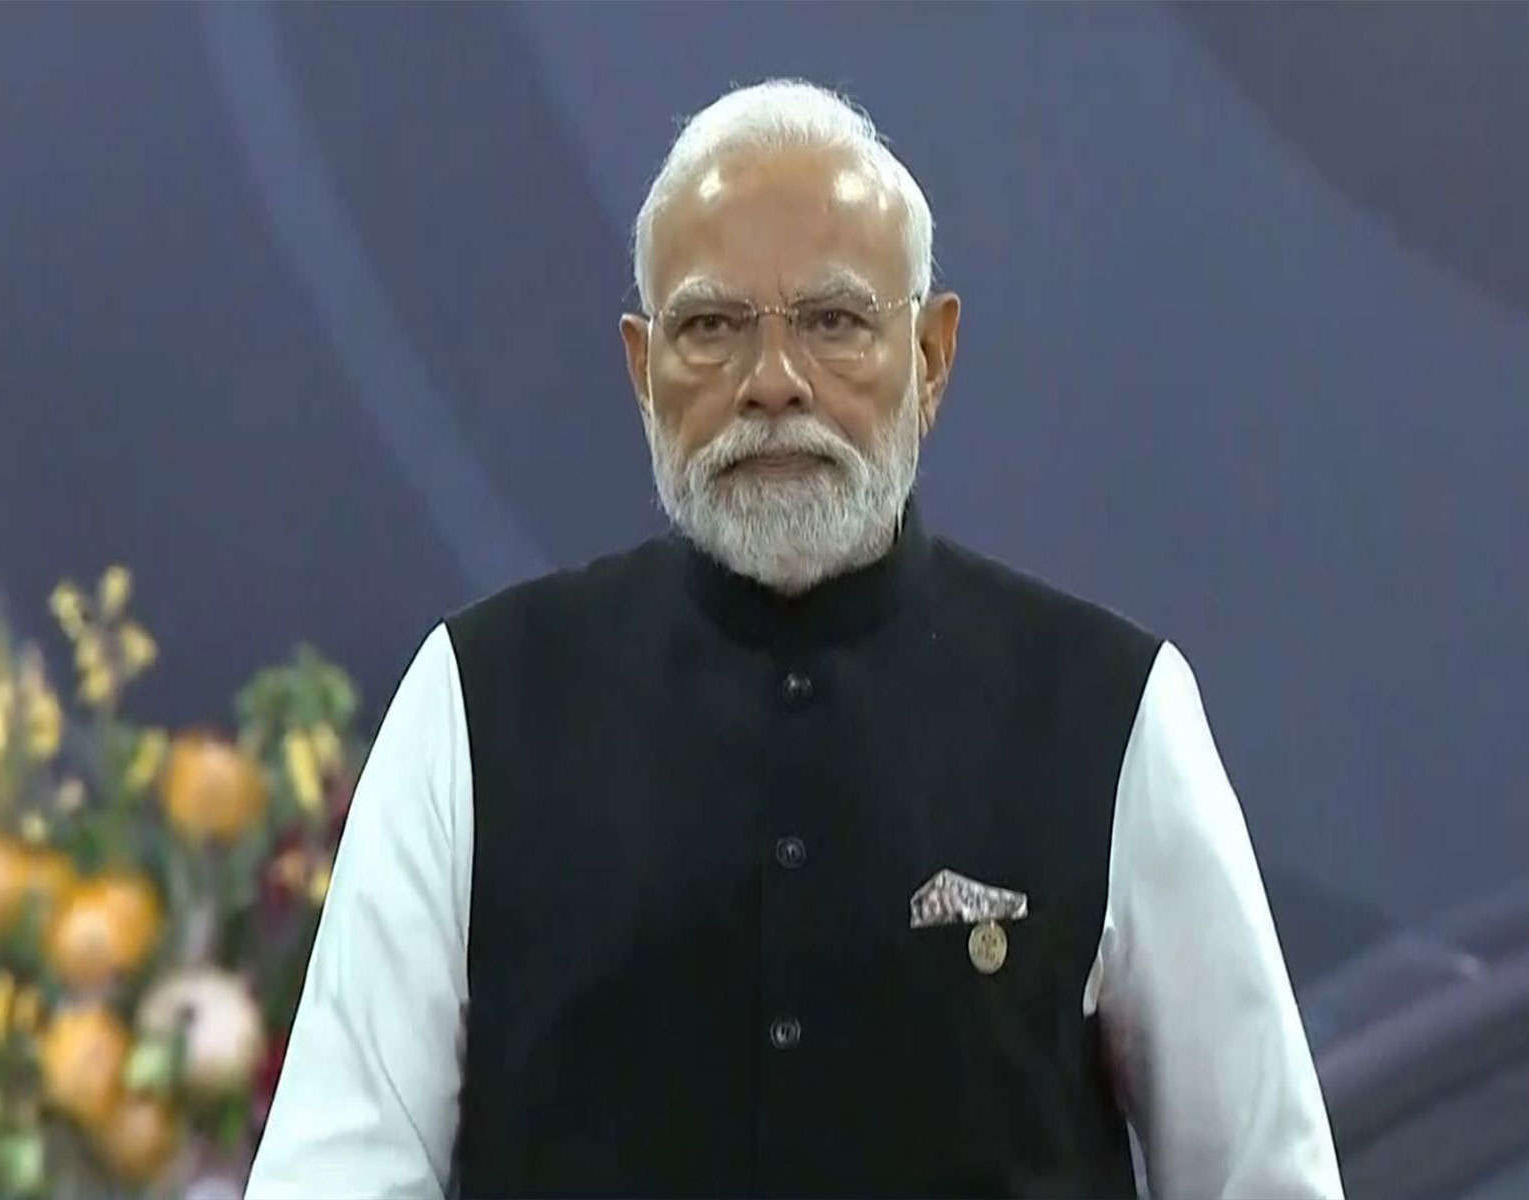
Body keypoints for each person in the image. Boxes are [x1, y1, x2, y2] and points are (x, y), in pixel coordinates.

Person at [245, 79, 1343, 1199]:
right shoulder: (474, 707)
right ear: (641, 370)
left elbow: (1262, 1178)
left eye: (834, 322)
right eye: (712, 328)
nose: (772, 385)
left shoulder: (1112, 713)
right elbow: (336, 1175)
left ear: (930, 357)